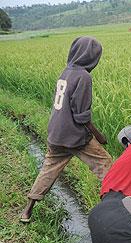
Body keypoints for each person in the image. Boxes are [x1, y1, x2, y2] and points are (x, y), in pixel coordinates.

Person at [20, 36, 112, 223]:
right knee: (106, 164)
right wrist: (99, 136)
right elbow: (81, 116)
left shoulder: (66, 72)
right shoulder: (84, 77)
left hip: (55, 134)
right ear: (91, 57)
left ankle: (27, 210)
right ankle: (116, 206)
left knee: (48, 171)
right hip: (75, 136)